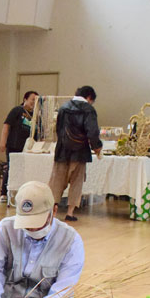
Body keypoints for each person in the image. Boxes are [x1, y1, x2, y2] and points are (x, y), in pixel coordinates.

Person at [48, 86, 102, 222]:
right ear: (89, 97)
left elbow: (58, 130)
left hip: (61, 150)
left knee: (57, 181)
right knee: (76, 182)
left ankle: (52, 213)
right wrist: (97, 147)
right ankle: (70, 212)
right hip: (80, 151)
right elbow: (92, 132)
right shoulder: (89, 109)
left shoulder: (63, 107)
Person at [0, 90, 38, 204]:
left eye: (36, 101)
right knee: (11, 167)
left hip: (27, 148)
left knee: (24, 169)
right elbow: (6, 126)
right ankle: (3, 193)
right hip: (14, 145)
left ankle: (21, 192)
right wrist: (3, 142)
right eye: (32, 100)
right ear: (25, 99)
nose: (34, 103)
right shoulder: (17, 110)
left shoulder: (35, 115)